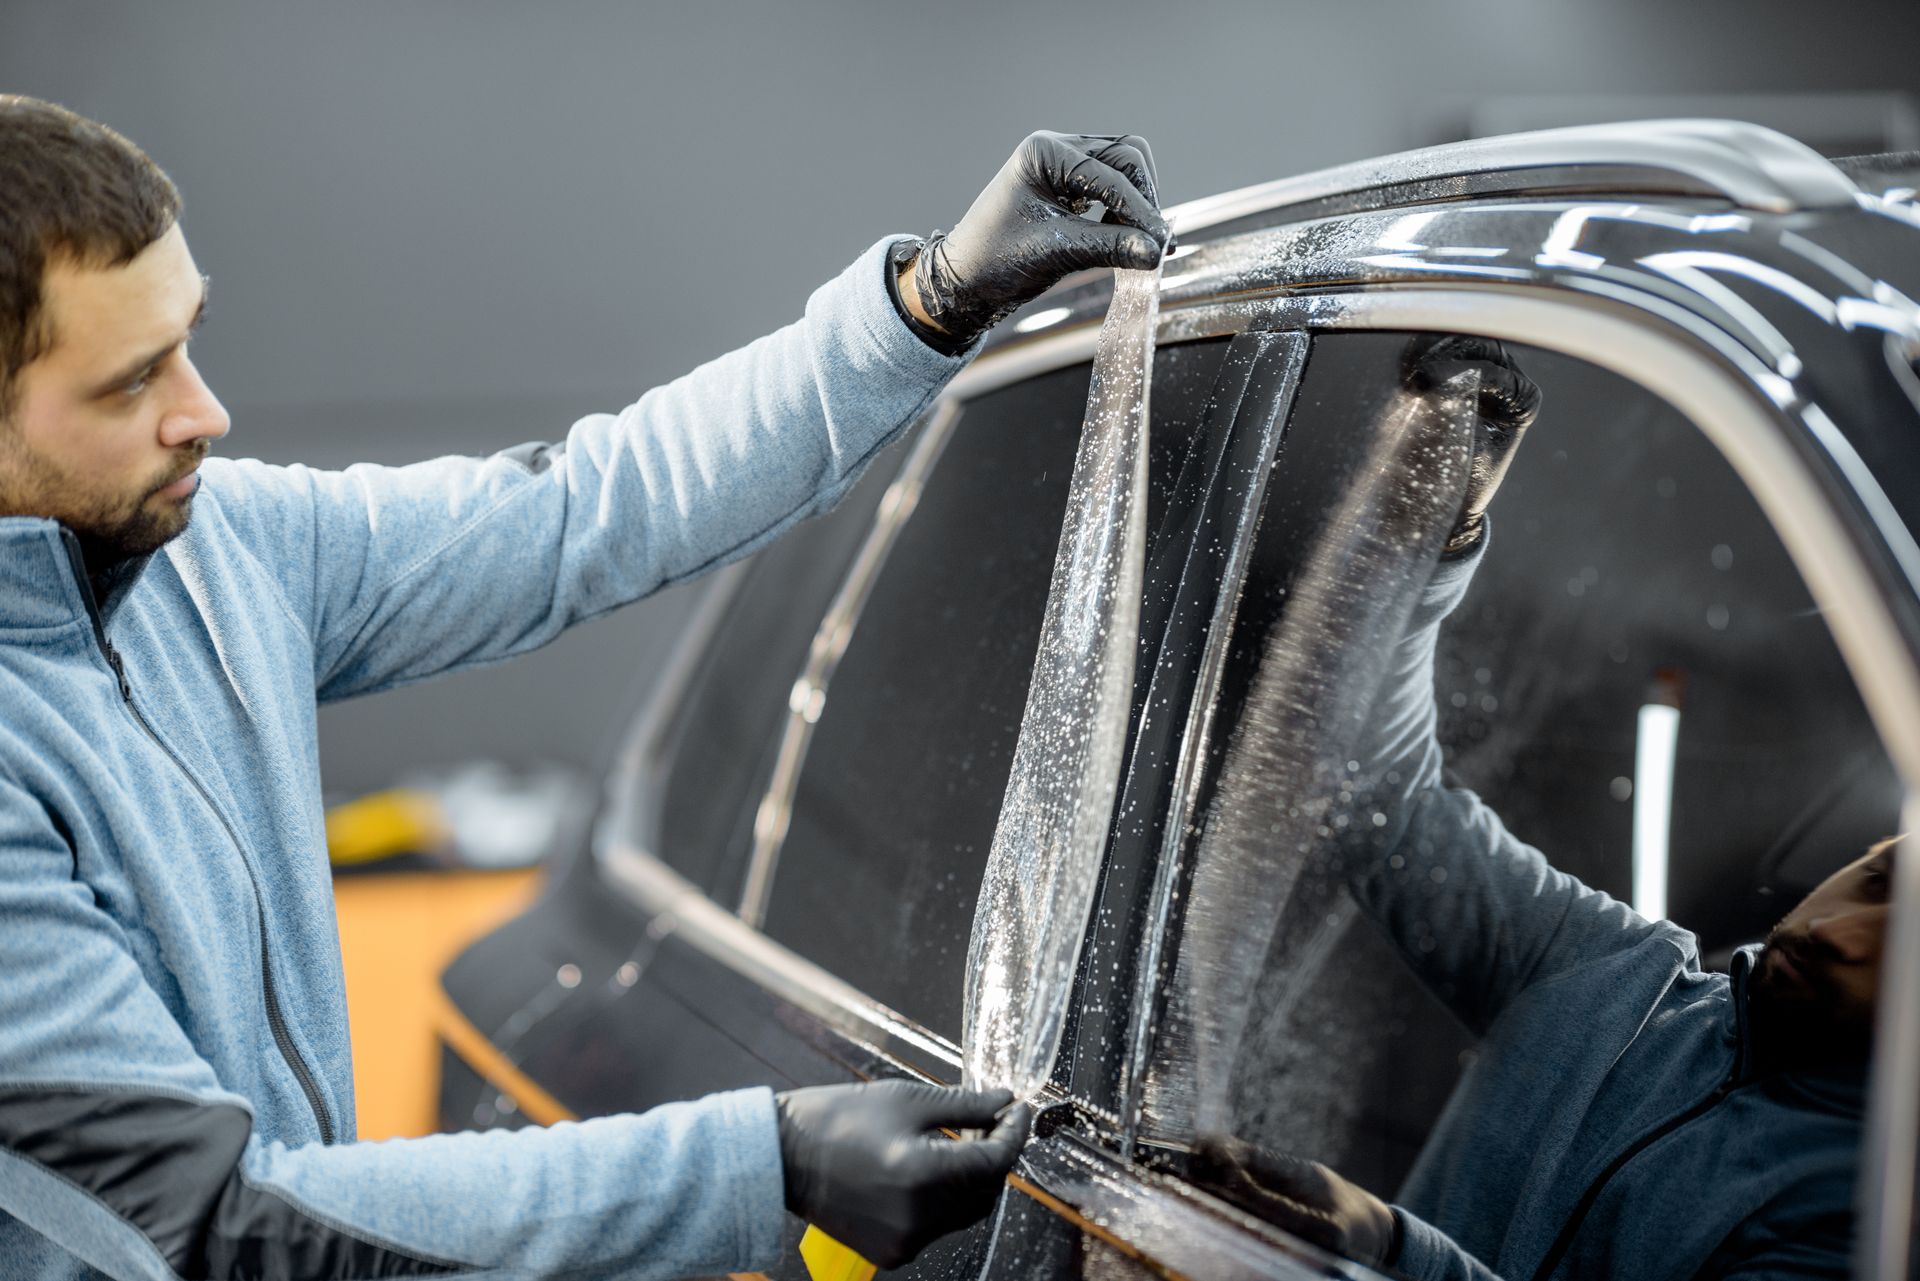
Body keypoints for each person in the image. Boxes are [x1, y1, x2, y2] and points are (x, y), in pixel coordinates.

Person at [0, 95, 1170, 1278]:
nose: (204, 414)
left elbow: (579, 512)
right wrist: (767, 1165)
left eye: (191, 339)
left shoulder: (215, 549)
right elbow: (214, 1231)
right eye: (131, 383)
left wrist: (926, 304)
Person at [1193, 340, 1877, 1279]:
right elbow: (1371, 795)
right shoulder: (1617, 975)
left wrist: (1395, 1250)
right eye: (1878, 878)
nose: (1848, 928)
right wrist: (1439, 519)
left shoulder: (1862, 1219)